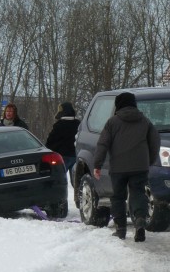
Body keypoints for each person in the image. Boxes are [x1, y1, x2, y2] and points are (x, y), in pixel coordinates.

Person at [93, 92, 160, 242]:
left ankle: (121, 229)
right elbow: (155, 141)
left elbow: (103, 144)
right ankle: (140, 221)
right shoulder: (145, 121)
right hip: (139, 165)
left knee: (118, 197)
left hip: (118, 167)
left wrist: (97, 164)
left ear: (119, 105)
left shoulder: (112, 122)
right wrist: (150, 160)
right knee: (138, 193)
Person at [45, 101, 80, 184]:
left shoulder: (59, 125)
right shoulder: (78, 123)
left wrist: (47, 150)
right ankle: (78, 196)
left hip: (62, 156)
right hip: (76, 155)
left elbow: (51, 140)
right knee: (76, 183)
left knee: (61, 181)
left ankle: (62, 196)